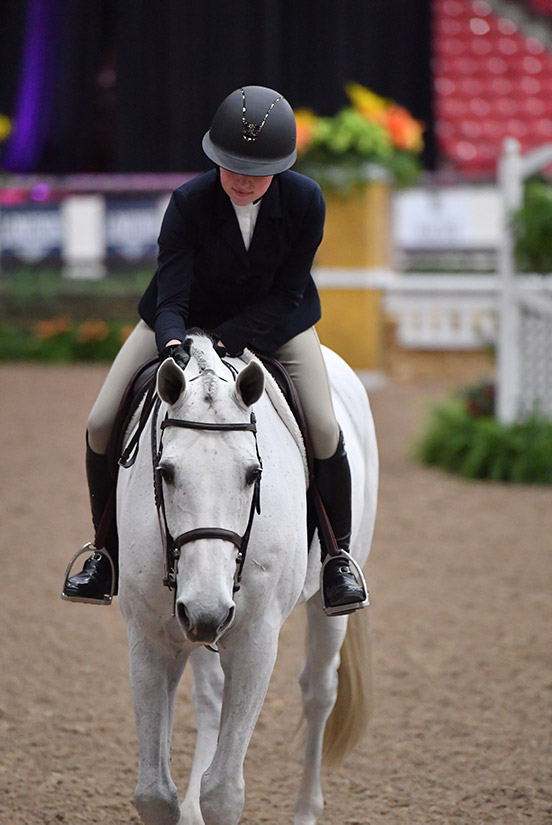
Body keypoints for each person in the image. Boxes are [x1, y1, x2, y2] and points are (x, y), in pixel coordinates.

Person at [62, 85, 366, 612]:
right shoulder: (188, 203)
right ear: (214, 157)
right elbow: (172, 295)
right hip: (181, 319)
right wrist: (176, 343)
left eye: (257, 169)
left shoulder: (305, 201)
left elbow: (288, 292)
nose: (243, 180)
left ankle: (337, 558)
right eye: (231, 166)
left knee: (322, 426)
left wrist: (227, 343)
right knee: (99, 420)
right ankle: (103, 552)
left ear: (282, 167)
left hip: (279, 322)